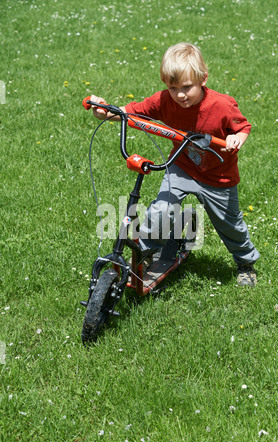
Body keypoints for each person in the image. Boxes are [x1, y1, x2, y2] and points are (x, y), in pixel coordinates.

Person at [90, 42, 259, 287]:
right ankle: (144, 254)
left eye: (187, 87)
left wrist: (236, 138)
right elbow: (130, 112)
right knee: (160, 212)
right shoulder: (164, 101)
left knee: (229, 223)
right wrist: (106, 112)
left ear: (203, 78)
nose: (180, 95)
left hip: (218, 176)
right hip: (182, 167)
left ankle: (245, 263)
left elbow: (242, 127)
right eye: (173, 87)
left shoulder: (221, 104)